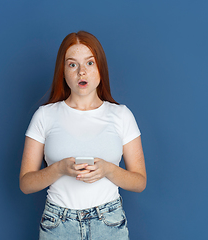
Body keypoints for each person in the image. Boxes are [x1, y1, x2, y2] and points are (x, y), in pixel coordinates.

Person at [19, 31, 146, 240]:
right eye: (72, 65)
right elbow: (26, 183)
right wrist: (59, 169)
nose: (81, 73)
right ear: (63, 71)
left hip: (108, 222)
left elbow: (139, 181)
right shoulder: (44, 115)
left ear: (100, 68)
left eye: (89, 63)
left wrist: (107, 170)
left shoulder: (121, 115)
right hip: (58, 224)